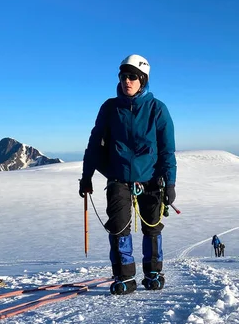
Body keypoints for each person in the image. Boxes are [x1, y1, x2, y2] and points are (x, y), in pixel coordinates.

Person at [79, 54, 177, 295]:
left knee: (152, 227)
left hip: (152, 179)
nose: (127, 81)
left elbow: (167, 150)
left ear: (143, 80)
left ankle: (153, 273)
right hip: (118, 178)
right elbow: (94, 144)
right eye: (123, 76)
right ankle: (125, 277)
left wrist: (171, 182)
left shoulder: (157, 109)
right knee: (118, 228)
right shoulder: (110, 108)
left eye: (133, 76)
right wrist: (87, 175)